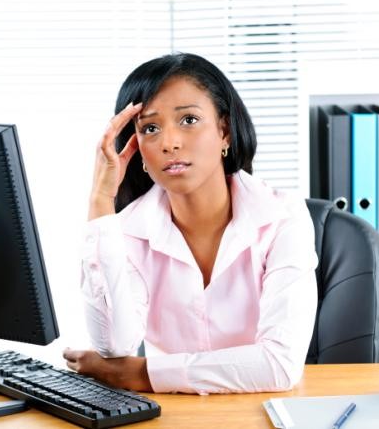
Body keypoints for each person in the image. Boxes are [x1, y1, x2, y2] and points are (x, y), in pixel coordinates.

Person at [63, 53, 318, 395]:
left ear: (224, 131)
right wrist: (100, 201)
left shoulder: (283, 217)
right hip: (170, 415)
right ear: (136, 148)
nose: (169, 142)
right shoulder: (125, 230)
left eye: (188, 120)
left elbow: (279, 366)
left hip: (260, 412)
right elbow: (114, 347)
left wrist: (141, 375)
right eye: (150, 128)